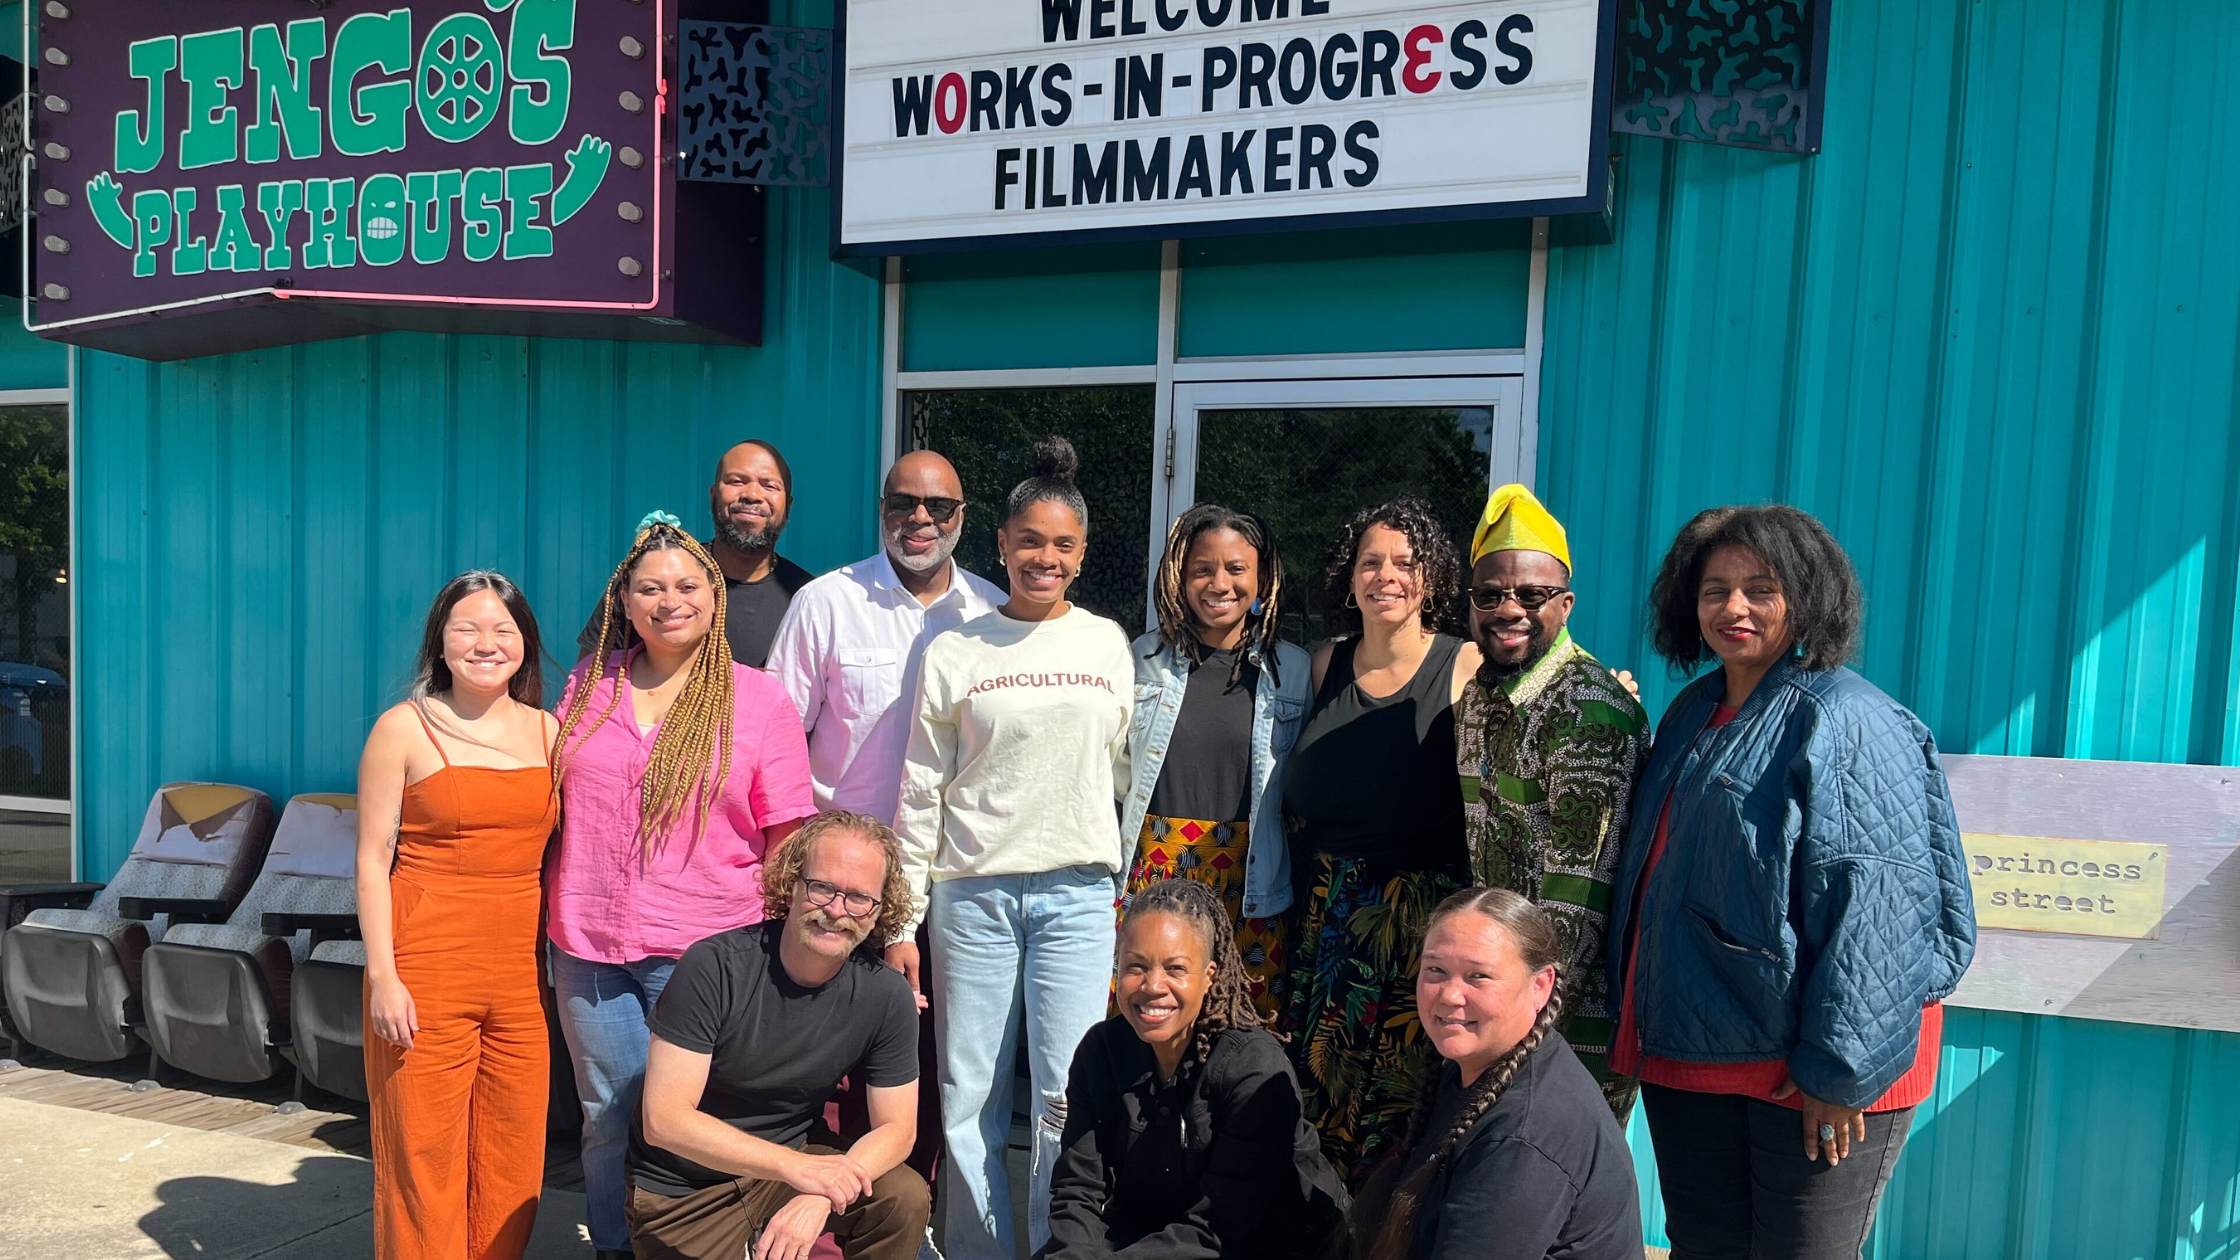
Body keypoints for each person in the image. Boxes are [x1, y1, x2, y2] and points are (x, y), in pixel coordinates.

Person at [1606, 505, 1976, 1259]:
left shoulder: (1846, 718)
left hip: (1808, 1070)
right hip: (1698, 1049)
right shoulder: (1692, 710)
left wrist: (1839, 1071)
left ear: (1806, 598)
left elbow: (1882, 905)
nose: (1734, 608)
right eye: (1715, 590)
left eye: (1761, 588)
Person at [549, 513, 818, 1259]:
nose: (671, 601)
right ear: (624, 601)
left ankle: (696, 1245)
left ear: (714, 595)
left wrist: (775, 948)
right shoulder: (587, 686)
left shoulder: (758, 700)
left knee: (699, 1118)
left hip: (709, 951)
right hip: (589, 943)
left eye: (688, 585)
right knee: (608, 1114)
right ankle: (615, 1245)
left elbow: (786, 835)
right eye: (650, 588)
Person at [892, 435, 1134, 1259]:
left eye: (1063, 544)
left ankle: (1059, 1247)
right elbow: (921, 788)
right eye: (1030, 541)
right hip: (974, 897)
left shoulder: (1107, 644)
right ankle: (978, 1249)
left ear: (1082, 554)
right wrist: (903, 919)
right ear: (1000, 543)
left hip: (1077, 895)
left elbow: (1124, 772)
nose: (1045, 558)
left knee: (1066, 1094)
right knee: (970, 1097)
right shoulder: (956, 649)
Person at [355, 571, 559, 1260]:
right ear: (439, 643)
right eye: (467, 628)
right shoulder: (402, 729)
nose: (485, 643)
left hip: (519, 980)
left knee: (512, 1158)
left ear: (525, 644)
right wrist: (383, 977)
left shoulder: (549, 731)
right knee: (423, 1158)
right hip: (424, 970)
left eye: (503, 629)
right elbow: (371, 859)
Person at [1279, 496, 1481, 1182]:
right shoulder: (1323, 665)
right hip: (1325, 924)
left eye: (1405, 562)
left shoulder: (1464, 665)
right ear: (1350, 575)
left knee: (1401, 1114)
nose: (1386, 576)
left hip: (1417, 929)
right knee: (1316, 1100)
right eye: (1371, 561)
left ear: (1432, 577)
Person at [631, 810, 929, 1260]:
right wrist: (801, 1170)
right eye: (822, 887)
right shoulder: (715, 966)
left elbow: (898, 1129)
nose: (836, 911)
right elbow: (664, 1120)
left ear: (878, 911)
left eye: (858, 898)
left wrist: (824, 1190)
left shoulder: (886, 994)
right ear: (792, 884)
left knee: (902, 1196)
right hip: (686, 1189)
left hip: (793, 1161)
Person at [1453, 485, 1649, 1116]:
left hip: (1563, 1027)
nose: (1509, 609)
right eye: (1490, 594)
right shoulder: (1480, 696)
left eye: (1531, 595)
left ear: (1565, 605)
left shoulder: (1589, 712)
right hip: (1493, 1008)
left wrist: (1515, 1033)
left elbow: (1576, 908)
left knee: (1557, 1173)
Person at [1041, 879, 1348, 1260]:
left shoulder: (1253, 1069)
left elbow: (1221, 1228)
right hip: (1148, 1237)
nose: (1153, 985)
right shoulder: (1101, 1051)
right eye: (1136, 966)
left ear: (1209, 976)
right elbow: (1078, 1187)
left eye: (1175, 969)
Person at [1355, 888, 1642, 1260]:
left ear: (1540, 986)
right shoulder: (1478, 1068)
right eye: (1436, 970)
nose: (1449, 995)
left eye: (1479, 976)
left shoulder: (1524, 1135)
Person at [1118, 504, 1309, 1021]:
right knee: (1149, 1019)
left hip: (1251, 876)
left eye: (1236, 569)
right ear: (1180, 578)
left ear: (1262, 579)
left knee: (1242, 1026)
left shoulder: (1293, 670)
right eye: (1202, 569)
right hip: (1155, 868)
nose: (1219, 584)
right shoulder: (1142, 660)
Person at [765, 449, 1004, 815]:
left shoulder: (993, 612)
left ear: (961, 515)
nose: (920, 517)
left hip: (959, 843)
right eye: (902, 503)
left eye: (939, 506)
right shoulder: (825, 603)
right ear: (882, 509)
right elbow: (779, 737)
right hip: (847, 840)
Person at [577, 441, 813, 669]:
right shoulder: (651, 579)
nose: (752, 494)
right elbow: (590, 682)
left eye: (769, 486)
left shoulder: (809, 600)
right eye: (736, 481)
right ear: (713, 495)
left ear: (788, 505)